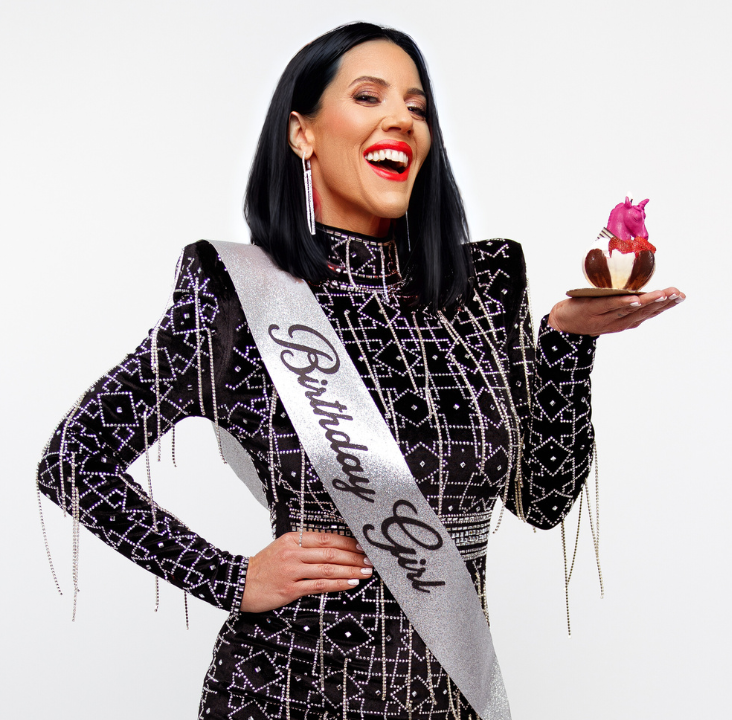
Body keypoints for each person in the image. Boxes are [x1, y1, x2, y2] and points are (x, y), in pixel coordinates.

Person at [37, 22, 684, 720]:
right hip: (286, 693)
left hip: (449, 697)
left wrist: (567, 342)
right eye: (369, 97)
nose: (401, 119)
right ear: (302, 133)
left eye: (417, 106)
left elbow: (544, 498)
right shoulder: (241, 296)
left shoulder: (481, 289)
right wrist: (231, 578)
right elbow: (73, 460)